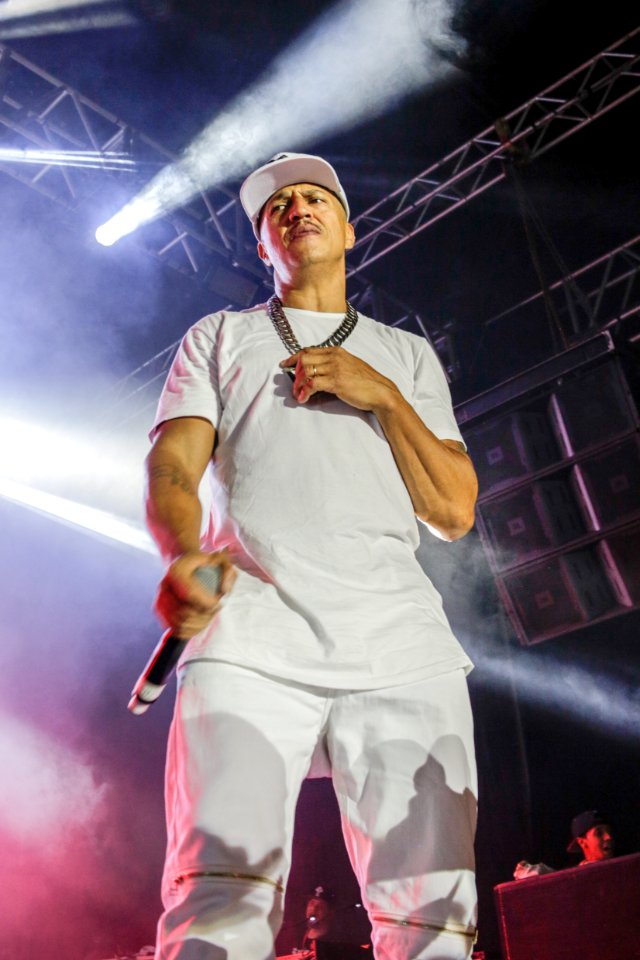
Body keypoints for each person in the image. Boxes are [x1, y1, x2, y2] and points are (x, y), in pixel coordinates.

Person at [145, 151, 479, 960]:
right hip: (251, 638)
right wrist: (182, 551)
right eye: (275, 207)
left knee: (433, 915)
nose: (297, 207)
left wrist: (382, 395)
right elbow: (173, 468)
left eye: (315, 195)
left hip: (401, 644)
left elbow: (454, 509)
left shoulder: (405, 356)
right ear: (264, 246)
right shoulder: (221, 336)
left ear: (350, 228)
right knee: (219, 894)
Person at [513, 809, 615, 879]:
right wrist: (527, 870)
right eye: (599, 833)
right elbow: (532, 873)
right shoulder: (573, 877)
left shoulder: (622, 871)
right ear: (582, 842)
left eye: (609, 832)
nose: (608, 837)